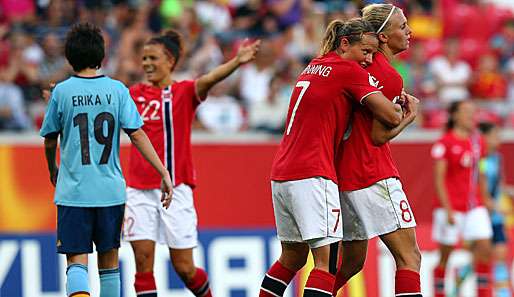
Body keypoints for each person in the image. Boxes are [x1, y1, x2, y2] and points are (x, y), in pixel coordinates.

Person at [259, 18, 406, 297]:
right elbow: (389, 114)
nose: (369, 59)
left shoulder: (313, 65)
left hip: (281, 173)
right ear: (345, 43)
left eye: (373, 54)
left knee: (291, 258)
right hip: (314, 173)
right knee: (326, 265)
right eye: (365, 51)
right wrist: (406, 115)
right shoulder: (348, 70)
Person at [122, 29, 260, 297]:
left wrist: (237, 61)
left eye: (153, 58)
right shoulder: (132, 94)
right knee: (142, 263)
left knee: (184, 267)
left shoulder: (183, 92)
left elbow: (208, 79)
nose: (147, 63)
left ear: (170, 61)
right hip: (138, 189)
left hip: (176, 190)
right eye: (144, 58)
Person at [39, 23, 172, 297]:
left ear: (69, 57)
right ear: (101, 56)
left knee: (76, 262)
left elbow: (50, 138)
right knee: (109, 264)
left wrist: (53, 168)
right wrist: (163, 171)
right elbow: (137, 135)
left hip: (74, 194)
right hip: (111, 193)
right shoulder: (118, 90)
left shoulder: (61, 92)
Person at [332, 4, 422, 297]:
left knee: (351, 262)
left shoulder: (352, 64)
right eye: (402, 26)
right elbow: (378, 136)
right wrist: (409, 117)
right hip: (372, 173)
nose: (409, 32)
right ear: (383, 37)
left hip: (341, 175)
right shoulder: (389, 76)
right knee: (409, 257)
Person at [431, 101, 493, 297]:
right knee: (446, 253)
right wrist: (447, 209)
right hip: (450, 207)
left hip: (474, 205)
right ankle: (440, 289)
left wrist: (486, 198)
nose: (470, 117)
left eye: (473, 112)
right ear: (455, 115)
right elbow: (439, 179)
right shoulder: (445, 143)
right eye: (466, 112)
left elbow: (480, 172)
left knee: (485, 247)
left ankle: (483, 292)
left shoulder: (478, 142)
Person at [479, 122, 513, 297]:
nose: (497, 139)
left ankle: (503, 293)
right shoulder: (480, 159)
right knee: (479, 258)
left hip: (496, 215)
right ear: (483, 137)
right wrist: (492, 205)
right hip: (482, 214)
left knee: (500, 253)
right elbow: (480, 188)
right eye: (494, 135)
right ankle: (456, 287)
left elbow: (500, 184)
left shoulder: (497, 158)